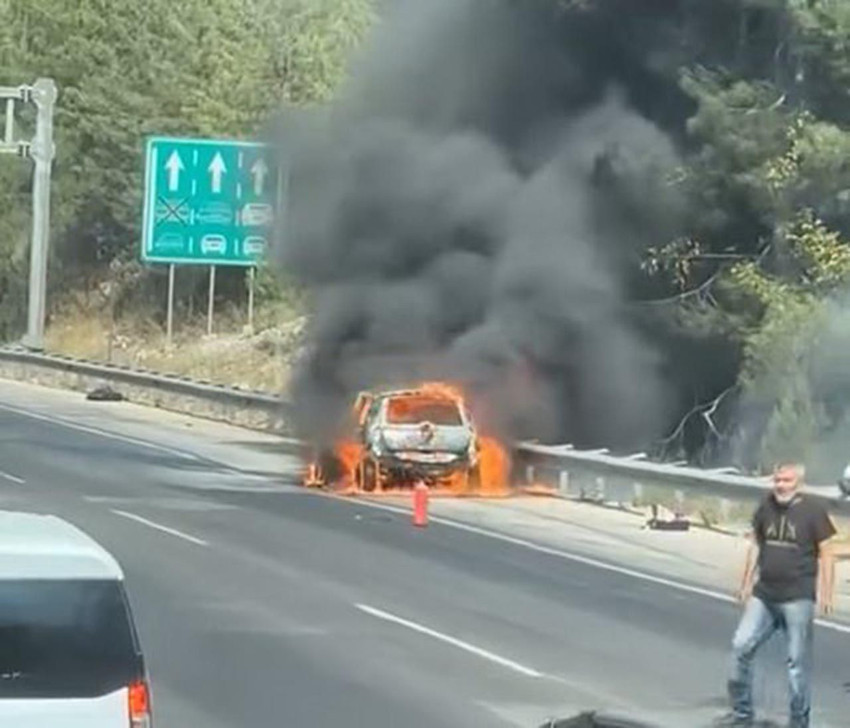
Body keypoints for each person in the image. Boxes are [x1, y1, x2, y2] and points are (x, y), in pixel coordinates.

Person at [716, 462, 836, 728]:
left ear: (799, 484)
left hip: (798, 597)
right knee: (740, 647)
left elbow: (827, 552)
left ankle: (798, 721)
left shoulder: (813, 512)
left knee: (796, 663)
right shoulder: (766, 507)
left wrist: (826, 592)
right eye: (777, 480)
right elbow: (756, 545)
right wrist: (745, 582)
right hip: (765, 595)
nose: (780, 486)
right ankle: (742, 714)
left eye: (787, 481)